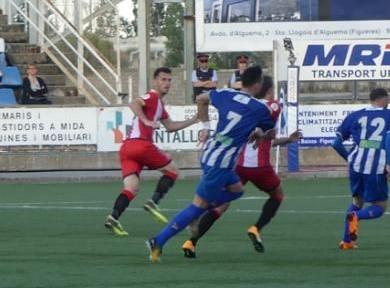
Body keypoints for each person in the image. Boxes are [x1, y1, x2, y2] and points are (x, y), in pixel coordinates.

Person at [145, 65, 276, 262]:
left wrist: (205, 125)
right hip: (221, 164)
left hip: (210, 153)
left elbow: (201, 99)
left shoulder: (225, 93)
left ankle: (197, 212)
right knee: (197, 206)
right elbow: (269, 132)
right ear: (258, 84)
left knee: (237, 190)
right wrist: (260, 133)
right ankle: (158, 240)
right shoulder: (260, 108)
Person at [182, 74, 303, 258]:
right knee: (277, 196)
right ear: (268, 89)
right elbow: (268, 135)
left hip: (238, 165)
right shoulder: (270, 107)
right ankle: (256, 228)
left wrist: (286, 139)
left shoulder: (243, 104)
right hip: (260, 166)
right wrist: (283, 136)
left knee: (223, 204)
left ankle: (192, 242)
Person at [103, 67, 201, 236]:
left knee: (131, 188)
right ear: (155, 81)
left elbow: (170, 127)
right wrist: (146, 121)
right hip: (140, 145)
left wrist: (193, 120)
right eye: (163, 79)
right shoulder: (152, 96)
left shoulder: (160, 105)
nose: (167, 83)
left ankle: (113, 217)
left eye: (169, 80)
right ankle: (154, 202)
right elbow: (133, 103)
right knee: (173, 170)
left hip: (127, 149)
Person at [331, 87, 390, 250]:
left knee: (357, 202)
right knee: (380, 206)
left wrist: (350, 159)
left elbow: (335, 143)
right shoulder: (389, 114)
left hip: (356, 164)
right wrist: (388, 164)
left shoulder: (355, 116)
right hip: (375, 167)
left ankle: (347, 241)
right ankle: (356, 217)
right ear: (384, 99)